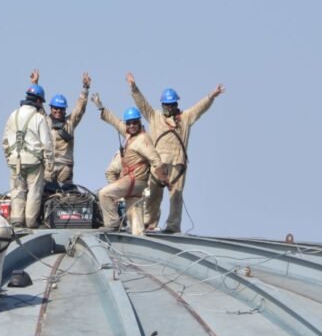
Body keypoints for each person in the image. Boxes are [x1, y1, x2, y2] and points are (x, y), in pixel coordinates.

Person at [127, 73, 225, 233]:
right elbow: (142, 104)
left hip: (177, 165)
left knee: (176, 196)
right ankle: (149, 223)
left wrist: (211, 96)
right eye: (167, 105)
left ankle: (173, 226)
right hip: (158, 165)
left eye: (172, 104)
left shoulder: (185, 118)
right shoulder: (155, 116)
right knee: (152, 195)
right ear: (163, 105)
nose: (170, 107)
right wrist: (133, 87)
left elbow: (199, 108)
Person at [90, 94, 167, 234]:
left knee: (104, 194)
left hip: (134, 180)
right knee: (136, 223)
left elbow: (155, 158)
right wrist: (101, 107)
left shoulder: (142, 139)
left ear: (139, 123)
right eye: (129, 123)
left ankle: (113, 224)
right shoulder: (130, 135)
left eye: (134, 123)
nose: (131, 126)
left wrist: (162, 176)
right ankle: (139, 237)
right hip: (135, 185)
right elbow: (116, 122)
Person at [1, 82, 54, 228]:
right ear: (38, 101)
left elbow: (4, 140)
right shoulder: (39, 118)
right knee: (34, 192)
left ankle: (17, 220)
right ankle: (30, 221)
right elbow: (47, 143)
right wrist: (49, 162)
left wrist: (9, 157)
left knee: (17, 190)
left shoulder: (13, 115)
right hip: (33, 162)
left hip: (14, 160)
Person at [30, 69, 91, 184]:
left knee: (66, 196)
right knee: (46, 195)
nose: (58, 111)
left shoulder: (70, 122)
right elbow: (37, 104)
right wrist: (34, 84)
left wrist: (85, 88)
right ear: (51, 108)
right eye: (55, 108)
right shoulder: (45, 120)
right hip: (49, 166)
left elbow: (80, 108)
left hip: (65, 166)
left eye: (61, 109)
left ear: (65, 110)